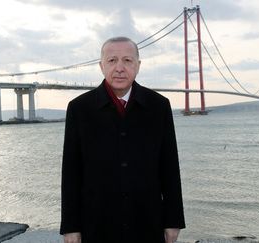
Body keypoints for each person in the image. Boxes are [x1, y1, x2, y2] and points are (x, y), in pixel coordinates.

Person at [60, 36, 185, 243]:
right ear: (101, 66)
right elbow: (71, 172)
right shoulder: (79, 108)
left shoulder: (159, 106)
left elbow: (169, 166)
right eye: (112, 61)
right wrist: (71, 227)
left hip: (147, 222)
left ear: (138, 65)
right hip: (96, 223)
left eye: (127, 60)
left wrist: (173, 220)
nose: (119, 68)